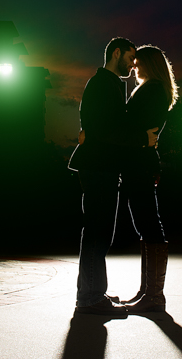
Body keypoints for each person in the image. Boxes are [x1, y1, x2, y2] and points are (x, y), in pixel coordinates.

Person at [68, 37, 159, 316]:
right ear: (116, 53)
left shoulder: (107, 84)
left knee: (98, 231)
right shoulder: (103, 84)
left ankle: (92, 292)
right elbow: (108, 130)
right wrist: (142, 139)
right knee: (97, 231)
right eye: (130, 58)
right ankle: (90, 299)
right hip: (98, 168)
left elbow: (99, 127)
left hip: (100, 166)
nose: (133, 65)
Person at [119, 44, 178, 313]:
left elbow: (137, 125)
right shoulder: (155, 89)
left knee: (148, 223)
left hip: (140, 162)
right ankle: (148, 291)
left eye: (138, 62)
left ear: (150, 64)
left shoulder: (152, 90)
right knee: (145, 223)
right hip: (141, 161)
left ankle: (154, 295)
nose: (134, 66)